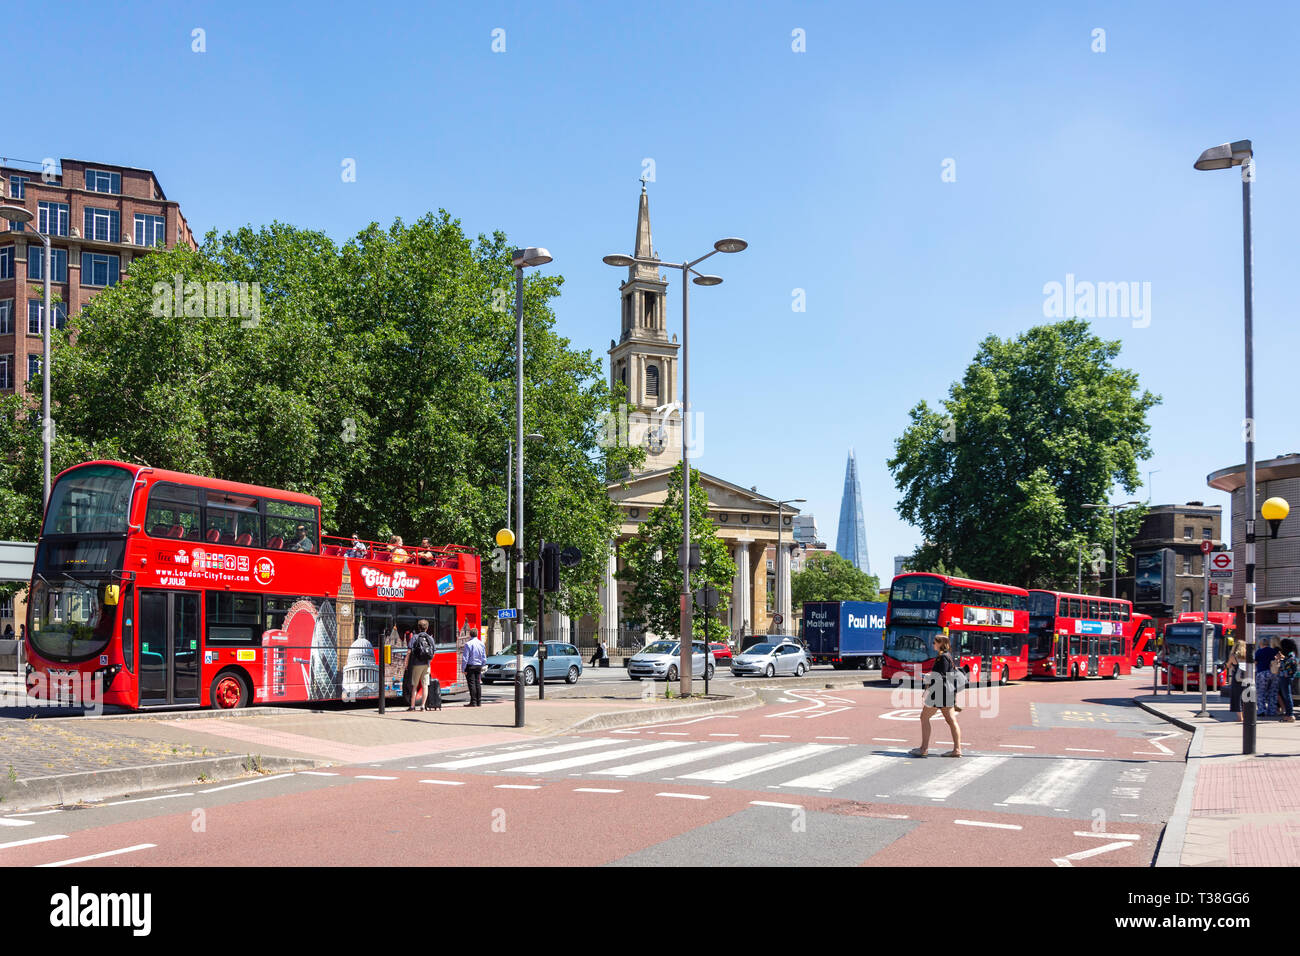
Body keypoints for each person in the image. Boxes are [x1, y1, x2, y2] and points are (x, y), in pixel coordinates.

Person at [910, 633, 962, 758]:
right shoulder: (948, 656)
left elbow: (941, 676)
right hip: (947, 694)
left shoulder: (942, 658)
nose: (933, 644)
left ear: (941, 644)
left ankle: (924, 748)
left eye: (935, 642)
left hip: (939, 694)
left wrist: (928, 677)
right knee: (951, 720)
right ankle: (957, 749)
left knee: (924, 717)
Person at [406, 621, 436, 712]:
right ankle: (423, 706)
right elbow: (433, 652)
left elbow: (409, 652)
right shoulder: (430, 638)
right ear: (427, 628)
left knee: (414, 686)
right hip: (426, 665)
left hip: (416, 664)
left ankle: (412, 706)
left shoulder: (415, 637)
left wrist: (406, 663)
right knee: (425, 685)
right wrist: (428, 661)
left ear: (418, 628)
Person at [462, 626, 487, 706]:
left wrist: (463, 668)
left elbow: (465, 658)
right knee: (477, 683)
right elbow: (484, 657)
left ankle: (473, 701)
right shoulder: (481, 643)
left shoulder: (468, 644)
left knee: (471, 684)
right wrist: (482, 664)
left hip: (470, 665)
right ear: (477, 634)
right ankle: (479, 701)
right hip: (478, 665)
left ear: (470, 634)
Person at [1256, 636, 1279, 718]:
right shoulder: (1273, 651)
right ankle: (1272, 711)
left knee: (1261, 692)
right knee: (1272, 692)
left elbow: (1255, 662)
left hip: (1262, 673)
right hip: (1273, 673)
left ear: (1260, 644)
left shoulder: (1259, 651)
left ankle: (1261, 710)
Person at [1277, 638, 1298, 723]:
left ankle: (1290, 715)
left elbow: (1290, 664)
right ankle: (1288, 714)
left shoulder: (1290, 655)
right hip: (1284, 677)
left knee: (1287, 696)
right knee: (1285, 696)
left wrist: (1282, 659)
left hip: (1286, 677)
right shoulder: (1289, 654)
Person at [1228, 640, 1247, 720]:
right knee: (1246, 697)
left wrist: (1231, 666)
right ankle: (1246, 715)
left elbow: (1228, 665)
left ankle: (1240, 717)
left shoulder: (1233, 656)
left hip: (1237, 678)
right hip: (1247, 678)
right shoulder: (1247, 655)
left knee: (1237, 697)